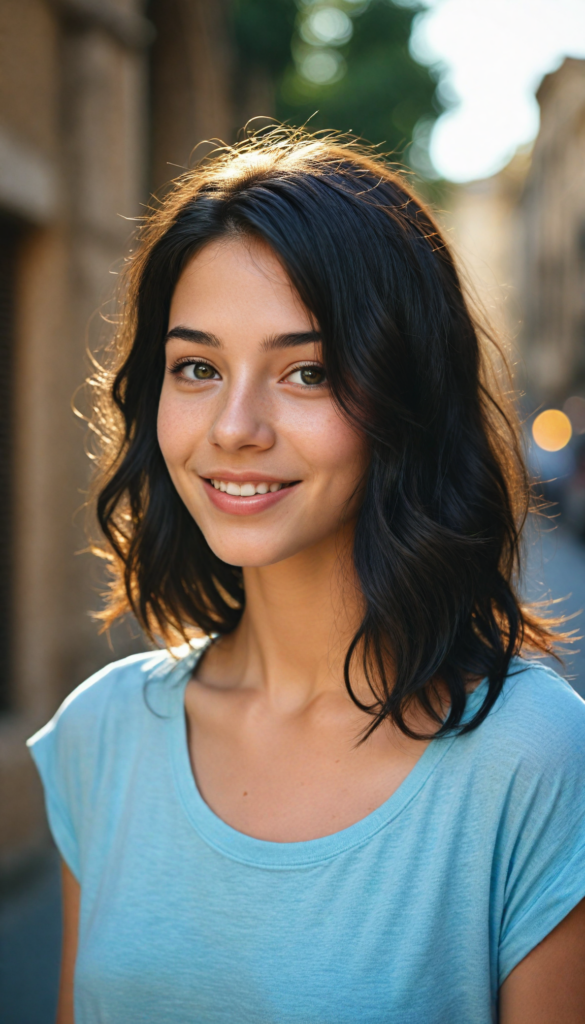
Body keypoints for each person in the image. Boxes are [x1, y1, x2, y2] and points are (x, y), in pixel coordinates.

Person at [29, 132, 585, 1024]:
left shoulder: (531, 756)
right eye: (196, 368)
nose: (235, 426)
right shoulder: (103, 734)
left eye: (307, 371)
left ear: (402, 396)